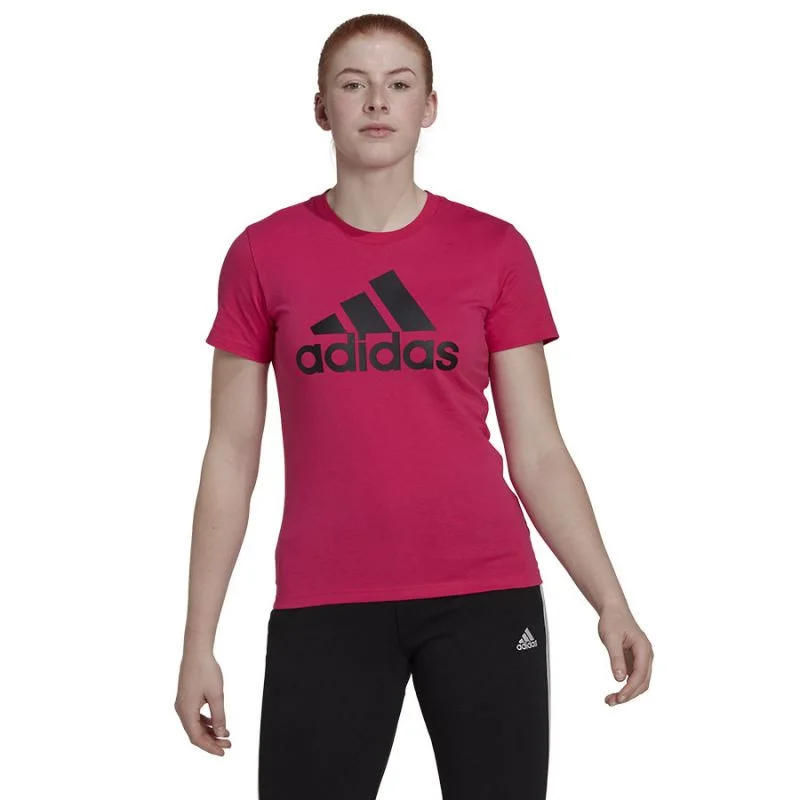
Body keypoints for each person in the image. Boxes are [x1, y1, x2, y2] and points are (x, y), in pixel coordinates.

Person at [174, 12, 654, 799]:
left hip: (485, 594)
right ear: (321, 107)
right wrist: (199, 640)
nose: (376, 102)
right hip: (325, 600)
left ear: (429, 106)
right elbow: (230, 458)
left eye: (398, 85)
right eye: (353, 84)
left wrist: (610, 600)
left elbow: (538, 451)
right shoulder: (263, 253)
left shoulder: (494, 249)